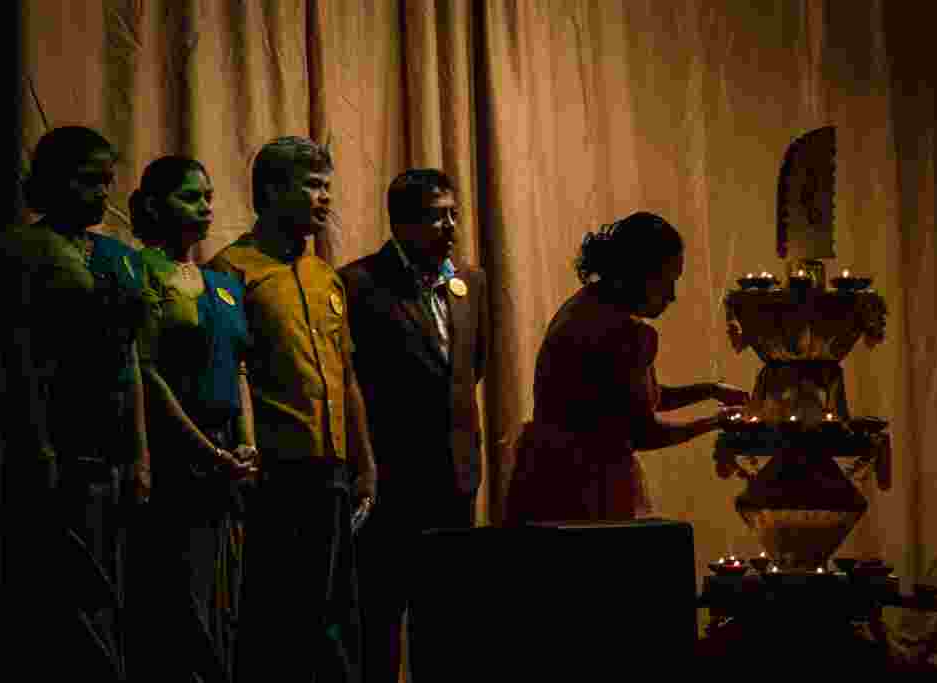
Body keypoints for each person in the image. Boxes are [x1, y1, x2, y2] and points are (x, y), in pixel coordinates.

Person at [208, 136, 376, 683]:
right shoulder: (233, 270)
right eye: (312, 186)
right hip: (275, 470)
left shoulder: (326, 274)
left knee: (335, 616)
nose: (325, 198)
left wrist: (365, 460)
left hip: (331, 468)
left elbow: (346, 374)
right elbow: (228, 376)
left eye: (328, 186)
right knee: (278, 618)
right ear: (273, 192)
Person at [0, 125, 150, 681]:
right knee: (65, 594)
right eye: (88, 183)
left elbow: (129, 361)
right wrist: (40, 447)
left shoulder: (115, 256)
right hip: (56, 447)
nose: (101, 196)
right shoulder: (19, 250)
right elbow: (18, 357)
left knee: (112, 587)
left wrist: (140, 454)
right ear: (53, 182)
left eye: (107, 183)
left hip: (110, 450)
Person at [338, 168, 490, 683]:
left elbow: (471, 370)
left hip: (456, 478)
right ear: (401, 223)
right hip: (391, 483)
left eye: (453, 213)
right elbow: (349, 380)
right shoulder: (358, 284)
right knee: (380, 620)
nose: (449, 225)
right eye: (435, 216)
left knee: (449, 618)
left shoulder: (470, 280)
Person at [504, 212, 748, 525]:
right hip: (585, 491)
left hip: (541, 478)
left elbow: (639, 399)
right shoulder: (625, 333)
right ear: (639, 274)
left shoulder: (581, 305)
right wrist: (714, 422)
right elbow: (644, 433)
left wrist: (711, 390)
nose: (673, 296)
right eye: (668, 281)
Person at [126, 155, 256, 682]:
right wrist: (206, 449)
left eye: (207, 197)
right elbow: (145, 370)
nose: (205, 208)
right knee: (179, 595)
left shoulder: (222, 283)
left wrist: (246, 443)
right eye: (190, 197)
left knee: (225, 597)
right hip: (179, 450)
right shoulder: (140, 273)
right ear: (156, 207)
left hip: (228, 455)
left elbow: (239, 369)